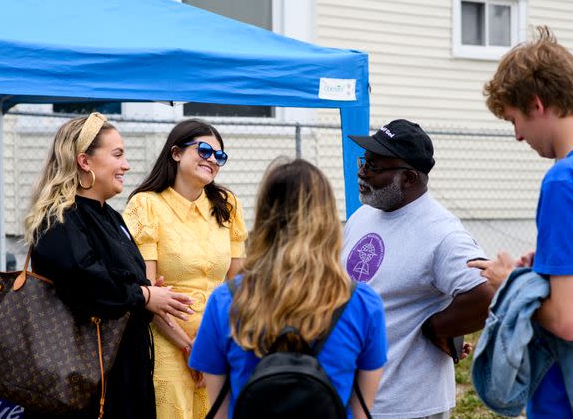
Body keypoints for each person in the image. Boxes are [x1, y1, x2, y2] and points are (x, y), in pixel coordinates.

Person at [23, 112, 194, 418]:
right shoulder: (60, 218)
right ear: (84, 161)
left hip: (123, 372)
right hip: (83, 382)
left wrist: (149, 292)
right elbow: (86, 282)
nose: (126, 165)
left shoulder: (112, 217)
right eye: (117, 155)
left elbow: (118, 278)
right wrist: (143, 295)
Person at [189, 158, 387, 419]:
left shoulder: (226, 301)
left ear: (265, 217)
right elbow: (361, 411)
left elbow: (219, 410)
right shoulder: (362, 303)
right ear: (327, 220)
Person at [343, 119, 495, 419]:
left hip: (408, 406)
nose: (362, 172)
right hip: (355, 398)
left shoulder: (443, 233)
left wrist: (436, 327)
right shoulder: (362, 216)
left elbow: (486, 293)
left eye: (374, 167)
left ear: (409, 178)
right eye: (364, 161)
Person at [471, 26, 573, 417]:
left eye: (514, 120)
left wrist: (507, 284)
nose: (517, 136)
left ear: (536, 104)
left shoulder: (563, 182)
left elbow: (565, 320)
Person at [123, 118, 247, 419]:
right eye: (204, 150)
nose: (212, 160)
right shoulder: (146, 205)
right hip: (167, 343)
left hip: (217, 343)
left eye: (219, 156)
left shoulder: (227, 204)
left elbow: (238, 287)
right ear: (176, 152)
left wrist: (219, 349)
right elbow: (149, 294)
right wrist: (190, 348)